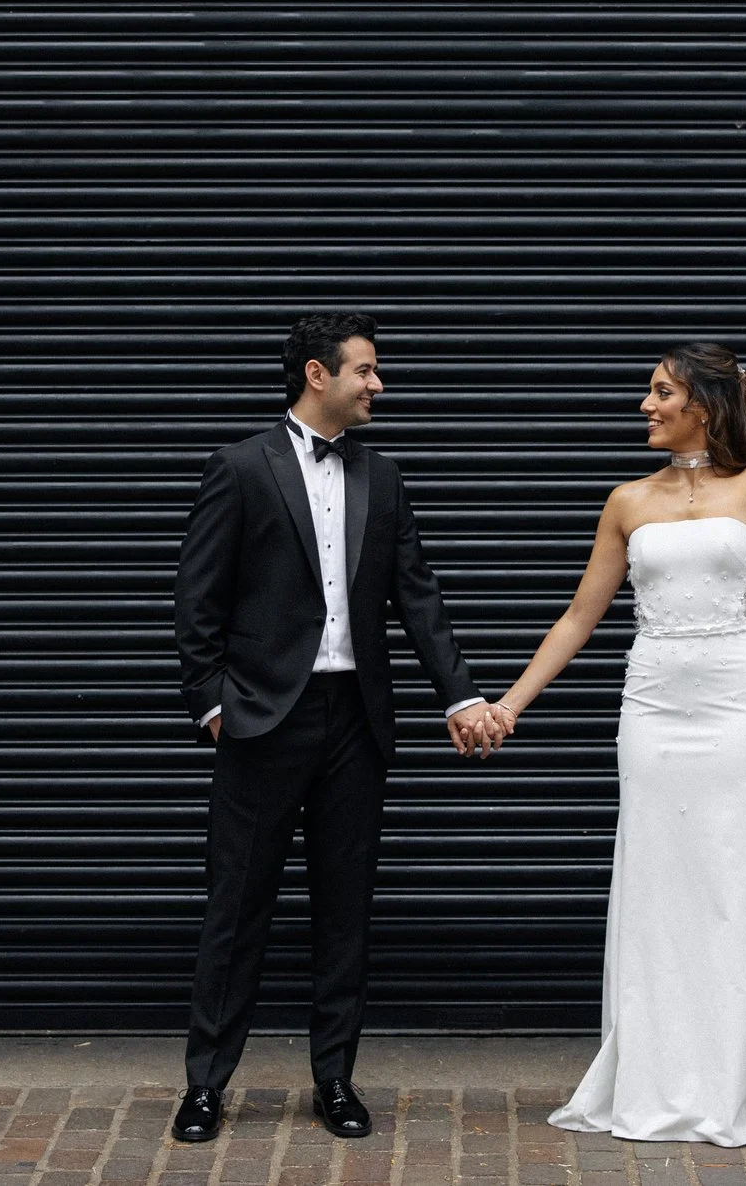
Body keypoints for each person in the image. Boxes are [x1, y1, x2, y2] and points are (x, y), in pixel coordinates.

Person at [478, 231, 746, 1148]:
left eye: (661, 390)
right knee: (661, 882)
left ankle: (741, 1078)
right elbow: (579, 619)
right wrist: (511, 702)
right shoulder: (627, 501)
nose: (645, 402)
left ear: (703, 402)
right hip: (656, 706)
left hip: (741, 703)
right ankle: (662, 1074)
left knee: (736, 878)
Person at [169, 311, 511, 1145]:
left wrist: (461, 696)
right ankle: (206, 1085)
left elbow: (418, 598)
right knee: (236, 910)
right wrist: (215, 707)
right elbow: (197, 600)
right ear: (318, 374)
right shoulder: (240, 467)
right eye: (366, 370)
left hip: (356, 720)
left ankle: (334, 1079)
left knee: (345, 911)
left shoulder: (383, 478)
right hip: (261, 723)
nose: (378, 384)